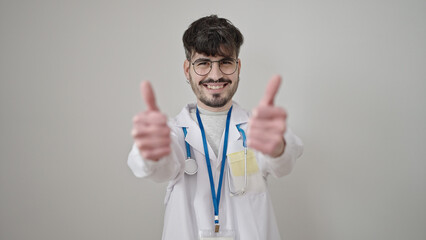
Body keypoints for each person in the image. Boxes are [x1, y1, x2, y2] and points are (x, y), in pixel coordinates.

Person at [128, 15, 303, 240]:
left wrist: (278, 147)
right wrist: (150, 153)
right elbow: (158, 166)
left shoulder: (257, 128)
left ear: (237, 67)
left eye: (225, 62)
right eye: (203, 63)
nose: (215, 74)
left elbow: (284, 161)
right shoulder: (174, 133)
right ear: (186, 69)